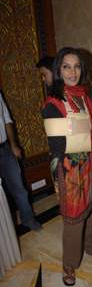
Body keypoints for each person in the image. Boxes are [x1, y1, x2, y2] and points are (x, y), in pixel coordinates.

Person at [41, 47, 92, 286]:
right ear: (58, 70)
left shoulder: (84, 97)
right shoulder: (54, 102)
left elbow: (88, 131)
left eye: (76, 66)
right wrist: (89, 136)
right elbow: (57, 143)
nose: (72, 71)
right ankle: (69, 264)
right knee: (74, 219)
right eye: (66, 66)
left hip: (91, 164)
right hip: (69, 170)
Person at [0, 91, 42, 231]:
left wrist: (13, 144)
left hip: (5, 148)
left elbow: (6, 119)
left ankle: (28, 219)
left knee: (20, 189)